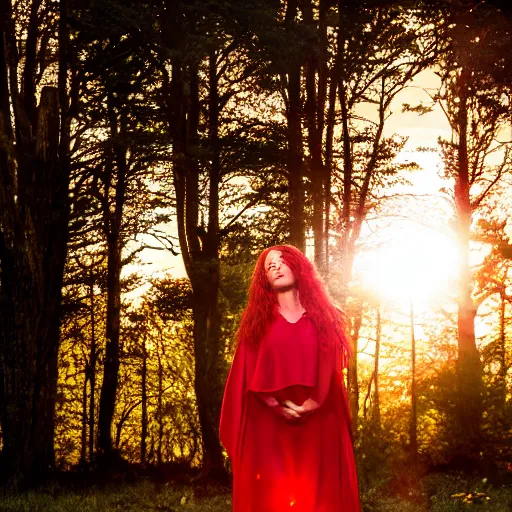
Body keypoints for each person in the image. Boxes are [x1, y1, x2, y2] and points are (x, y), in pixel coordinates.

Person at [219, 245, 361, 512]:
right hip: (268, 426)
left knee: (321, 497)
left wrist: (315, 403)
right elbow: (245, 372)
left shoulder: (325, 318)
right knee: (272, 498)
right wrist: (274, 404)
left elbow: (332, 368)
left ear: (299, 267)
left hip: (319, 423)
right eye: (269, 265)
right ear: (264, 279)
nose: (275, 266)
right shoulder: (256, 323)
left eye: (282, 260)